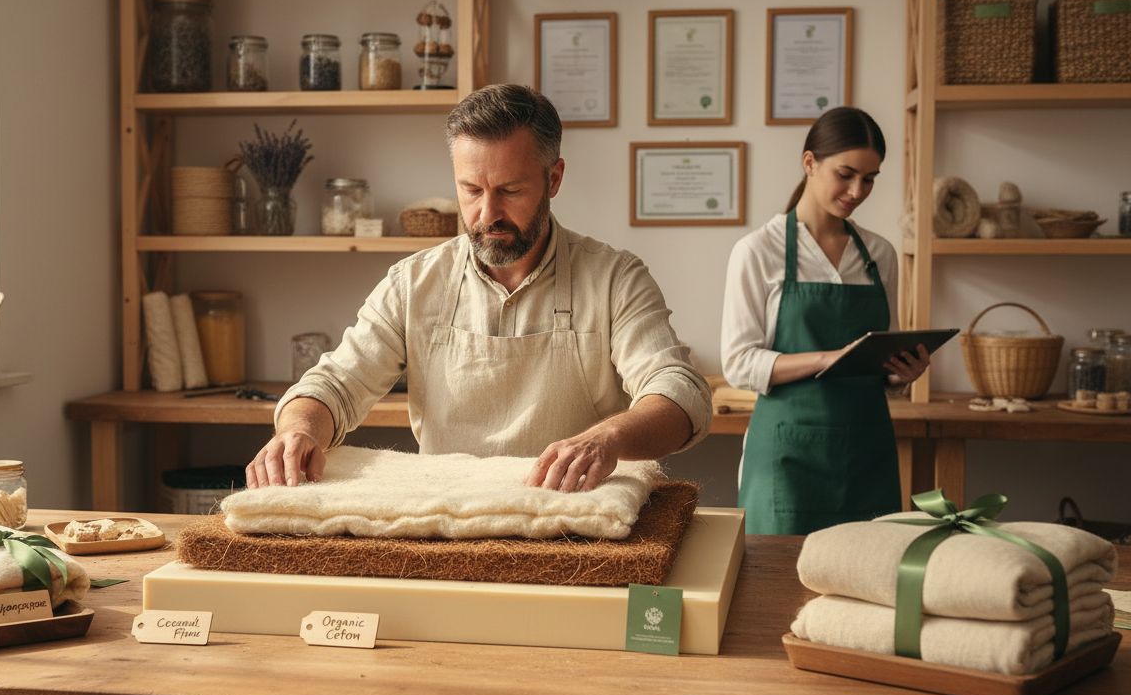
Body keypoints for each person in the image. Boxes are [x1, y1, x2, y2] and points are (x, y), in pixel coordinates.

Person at [247, 84, 711, 492]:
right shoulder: (414, 283)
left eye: (509, 191)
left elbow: (679, 389)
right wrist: (300, 429)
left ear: (554, 178)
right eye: (471, 190)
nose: (488, 214)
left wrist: (607, 439)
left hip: (578, 520)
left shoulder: (614, 279)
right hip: (451, 521)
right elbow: (335, 384)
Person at [720, 107, 930, 535]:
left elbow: (878, 360)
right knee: (776, 588)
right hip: (787, 456)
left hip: (866, 452)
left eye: (869, 179)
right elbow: (739, 363)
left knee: (869, 585)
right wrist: (828, 359)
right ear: (810, 163)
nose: (857, 190)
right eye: (846, 174)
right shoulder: (759, 251)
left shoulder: (879, 254)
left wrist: (900, 375)